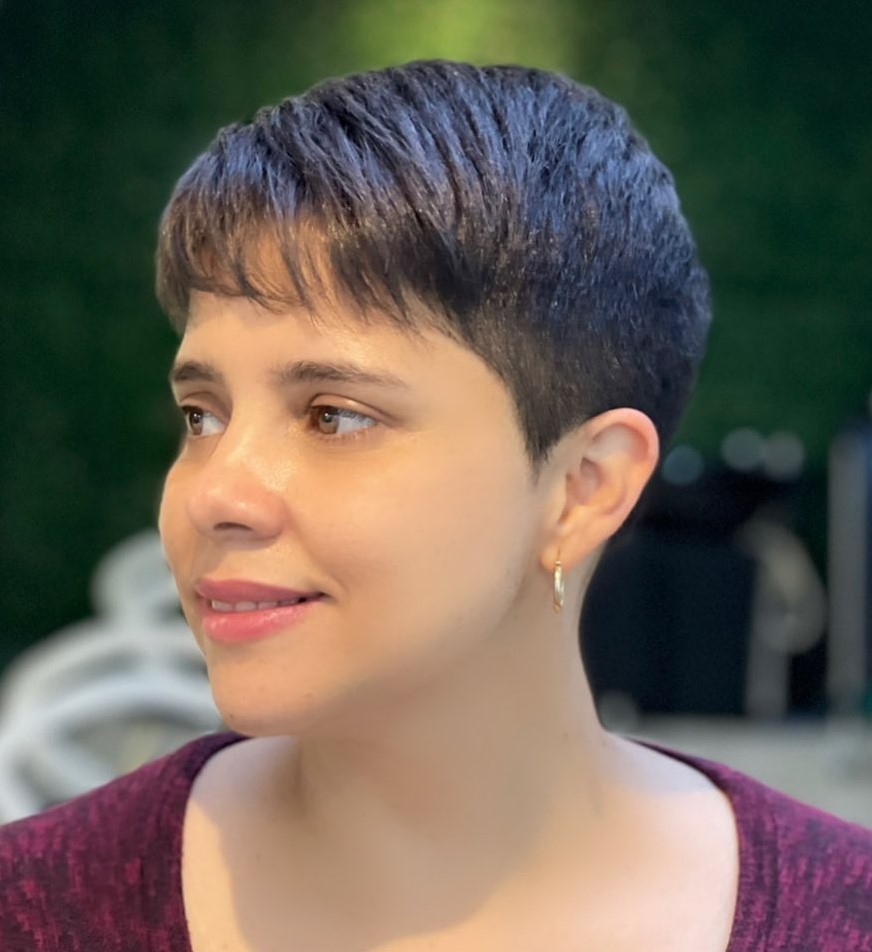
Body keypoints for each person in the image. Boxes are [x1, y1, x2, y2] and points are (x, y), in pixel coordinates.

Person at [2, 59, 871, 952]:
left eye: (334, 416)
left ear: (585, 486)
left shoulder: (842, 919)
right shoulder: (35, 908)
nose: (214, 494)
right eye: (203, 415)